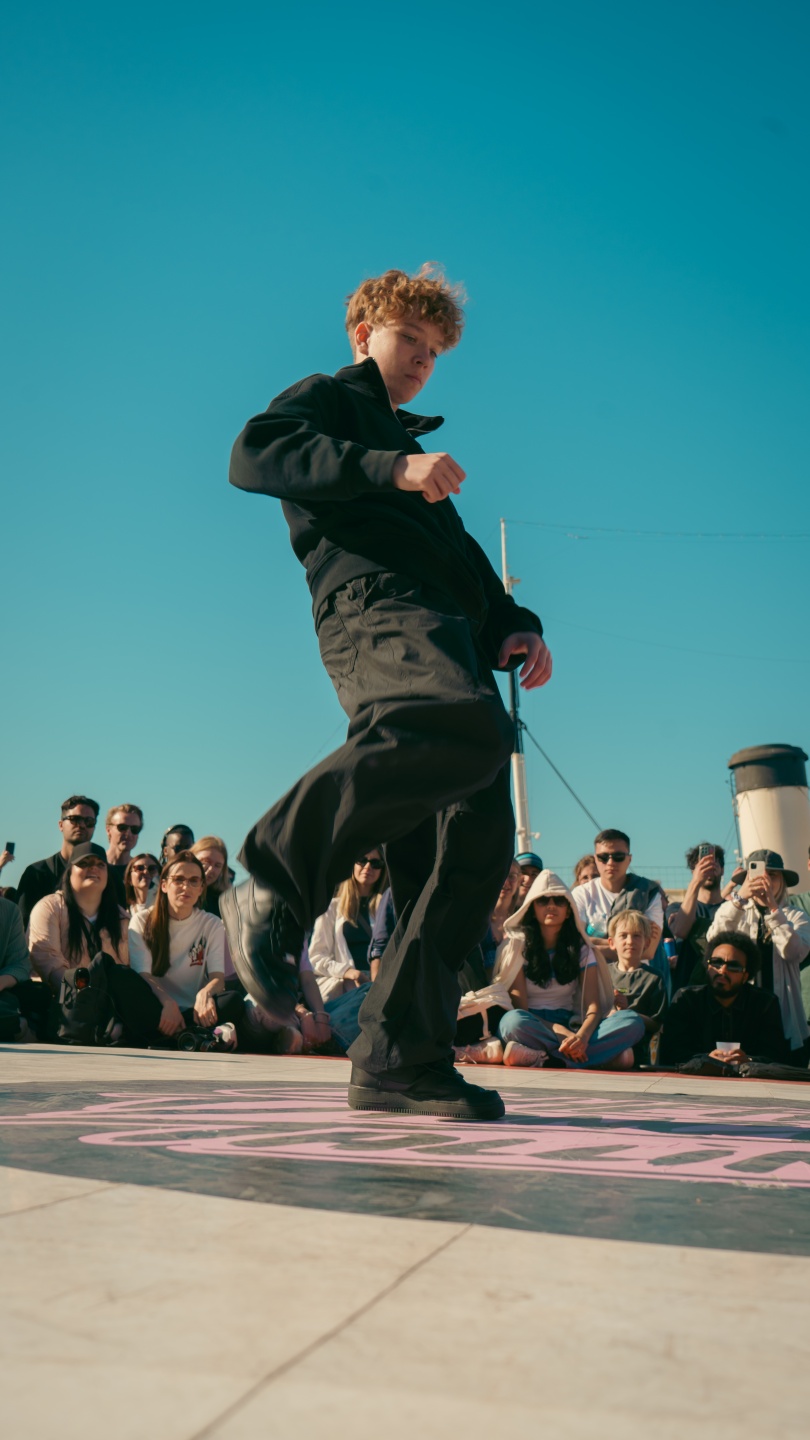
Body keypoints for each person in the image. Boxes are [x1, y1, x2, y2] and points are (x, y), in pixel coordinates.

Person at [222, 263, 552, 1120]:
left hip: (446, 627)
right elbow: (253, 454)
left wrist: (511, 621)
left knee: (470, 846)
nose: (421, 359)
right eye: (410, 338)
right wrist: (389, 468)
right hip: (377, 606)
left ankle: (401, 1058)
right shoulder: (333, 401)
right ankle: (274, 877)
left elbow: (462, 559)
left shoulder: (415, 459)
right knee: (459, 723)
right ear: (364, 333)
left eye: (435, 351)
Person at [495, 870, 644, 1068]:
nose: (551, 906)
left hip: (572, 1024)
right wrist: (560, 1032)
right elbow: (520, 1009)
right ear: (532, 908)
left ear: (568, 910)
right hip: (533, 1024)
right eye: (543, 901)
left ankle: (551, 1059)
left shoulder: (582, 949)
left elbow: (593, 1008)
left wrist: (582, 1037)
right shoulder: (517, 947)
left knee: (632, 1021)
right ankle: (588, 1058)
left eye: (559, 901)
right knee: (511, 1022)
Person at [706, 850, 810, 1062]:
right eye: (758, 874)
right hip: (741, 1013)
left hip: (783, 1014)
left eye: (772, 875)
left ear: (782, 881)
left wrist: (773, 909)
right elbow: (715, 940)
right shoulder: (733, 910)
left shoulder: (796, 916)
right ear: (746, 879)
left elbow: (793, 952)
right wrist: (739, 899)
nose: (765, 881)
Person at [127, 852, 238, 1042]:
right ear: (164, 885)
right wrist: (168, 1003)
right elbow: (143, 975)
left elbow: (218, 978)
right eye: (178, 880)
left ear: (201, 888)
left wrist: (205, 993)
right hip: (157, 1006)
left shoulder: (212, 923)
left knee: (233, 1000)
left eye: (194, 881)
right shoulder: (142, 920)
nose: (186, 887)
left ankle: (179, 1034)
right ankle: (193, 1035)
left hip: (194, 1011)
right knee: (120, 977)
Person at [658, 931, 787, 1069]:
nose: (722, 971)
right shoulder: (686, 999)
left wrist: (748, 1061)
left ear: (745, 976)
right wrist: (704, 1060)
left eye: (733, 966)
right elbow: (671, 1052)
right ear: (707, 966)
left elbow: (776, 1056)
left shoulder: (764, 1003)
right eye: (716, 962)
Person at [28, 843, 129, 993]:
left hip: (110, 1000)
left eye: (100, 864)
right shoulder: (50, 908)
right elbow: (49, 964)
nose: (93, 868)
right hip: (61, 998)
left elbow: (130, 967)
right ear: (69, 872)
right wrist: (84, 992)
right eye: (84, 863)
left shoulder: (121, 918)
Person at [571, 829, 664, 962]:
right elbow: (575, 942)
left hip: (633, 974)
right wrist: (627, 947)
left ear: (629, 859)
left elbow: (648, 952)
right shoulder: (581, 893)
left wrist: (593, 944)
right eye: (603, 857)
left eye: (618, 856)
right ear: (596, 859)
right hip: (594, 973)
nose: (610, 863)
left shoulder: (648, 892)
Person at [309, 850, 388, 1002]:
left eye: (376, 863)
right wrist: (348, 972)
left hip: (381, 985)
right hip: (348, 987)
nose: (368, 867)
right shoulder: (331, 909)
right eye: (362, 860)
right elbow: (316, 957)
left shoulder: (388, 908)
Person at [16, 795, 103, 928]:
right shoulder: (37, 873)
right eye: (74, 819)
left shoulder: (105, 875)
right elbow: (23, 925)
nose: (82, 825)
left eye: (89, 821)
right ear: (61, 825)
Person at [606, 911, 667, 1065]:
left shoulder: (654, 978)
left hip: (637, 1047)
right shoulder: (603, 974)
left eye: (636, 936)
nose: (630, 941)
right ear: (612, 942)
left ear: (647, 943)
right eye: (623, 936)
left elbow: (656, 1024)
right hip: (605, 1036)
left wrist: (628, 1014)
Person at [665, 842, 725, 993]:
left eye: (714, 862)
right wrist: (696, 882)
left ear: (722, 869)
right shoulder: (677, 908)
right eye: (701, 864)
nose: (708, 867)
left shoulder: (731, 909)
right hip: (688, 990)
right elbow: (680, 931)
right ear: (693, 871)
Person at [0, 895, 50, 1040]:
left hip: (3, 990)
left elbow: (20, 964)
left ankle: (12, 1023)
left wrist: (2, 982)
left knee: (41, 993)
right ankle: (14, 1025)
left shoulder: (10, 910)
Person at [191, 836, 232, 917]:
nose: (211, 869)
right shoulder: (171, 892)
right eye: (205, 862)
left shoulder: (223, 905)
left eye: (217, 865)